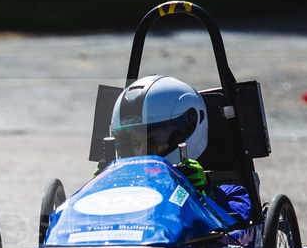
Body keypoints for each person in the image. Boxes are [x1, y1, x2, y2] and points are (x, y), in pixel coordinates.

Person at [107, 75, 251, 221]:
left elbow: (237, 228)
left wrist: (199, 194)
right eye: (136, 144)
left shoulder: (230, 195)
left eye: (153, 141)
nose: (142, 153)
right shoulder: (122, 195)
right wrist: (99, 187)